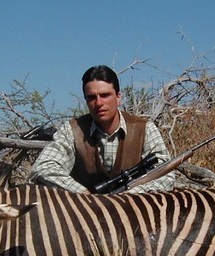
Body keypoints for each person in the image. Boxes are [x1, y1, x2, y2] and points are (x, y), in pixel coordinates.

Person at [29, 65, 175, 193]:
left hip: (133, 213)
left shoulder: (144, 129)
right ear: (86, 100)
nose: (98, 103)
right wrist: (84, 194)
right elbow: (43, 168)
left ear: (118, 97)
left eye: (105, 95)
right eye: (92, 97)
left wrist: (131, 194)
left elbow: (165, 174)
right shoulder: (73, 130)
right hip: (84, 212)